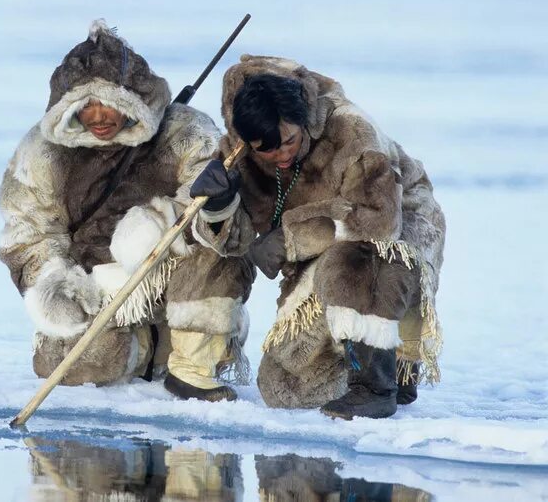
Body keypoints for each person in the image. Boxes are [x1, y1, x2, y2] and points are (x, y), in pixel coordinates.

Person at [0, 20, 254, 402]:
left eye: (109, 103)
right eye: (87, 106)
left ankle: (194, 362)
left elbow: (217, 216)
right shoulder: (43, 150)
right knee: (80, 365)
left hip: (166, 272)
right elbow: (27, 229)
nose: (99, 116)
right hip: (95, 290)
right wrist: (58, 285)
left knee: (215, 251)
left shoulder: (184, 132)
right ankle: (149, 348)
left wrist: (173, 219)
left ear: (131, 99)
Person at [191, 55, 446, 419]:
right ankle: (356, 355)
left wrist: (290, 239)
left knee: (359, 259)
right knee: (286, 389)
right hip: (322, 241)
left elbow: (378, 221)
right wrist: (217, 205)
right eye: (268, 148)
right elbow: (234, 243)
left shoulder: (351, 133)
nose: (282, 155)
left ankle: (379, 383)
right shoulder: (237, 154)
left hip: (399, 224)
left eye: (289, 141)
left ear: (303, 123)